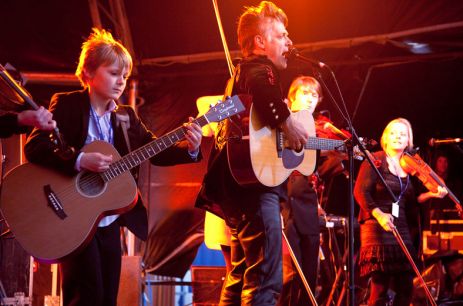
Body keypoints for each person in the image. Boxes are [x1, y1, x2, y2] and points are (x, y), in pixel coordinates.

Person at [24, 28, 202, 306]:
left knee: (107, 297)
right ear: (87, 73)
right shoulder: (67, 105)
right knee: (85, 297)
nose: (121, 81)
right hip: (70, 217)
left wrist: (190, 149)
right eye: (113, 73)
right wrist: (80, 160)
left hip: (107, 220)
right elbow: (35, 148)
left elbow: (155, 150)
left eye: (125, 76)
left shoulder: (126, 117)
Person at [196, 1, 308, 305]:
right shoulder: (260, 69)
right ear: (260, 42)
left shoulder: (241, 76)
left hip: (237, 186)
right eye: (282, 35)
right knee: (266, 279)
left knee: (242, 272)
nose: (289, 42)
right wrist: (288, 124)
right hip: (255, 188)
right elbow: (263, 87)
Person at [354, 118, 447, 306]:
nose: (398, 137)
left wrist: (432, 194)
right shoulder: (375, 159)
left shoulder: (409, 166)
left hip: (401, 228)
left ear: (408, 141)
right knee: (380, 289)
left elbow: (411, 201)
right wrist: (379, 214)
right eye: (393, 133)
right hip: (376, 227)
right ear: (385, 138)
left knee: (406, 288)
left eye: (403, 134)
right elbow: (360, 191)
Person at [279, 76, 324, 306]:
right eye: (304, 94)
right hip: (281, 206)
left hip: (307, 210)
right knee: (287, 278)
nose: (310, 99)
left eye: (314, 95)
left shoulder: (319, 129)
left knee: (309, 276)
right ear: (291, 97)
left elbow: (318, 168)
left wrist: (341, 151)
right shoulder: (276, 122)